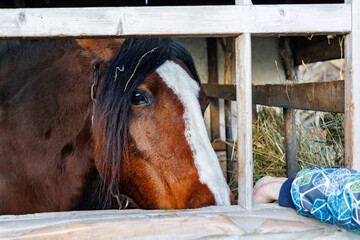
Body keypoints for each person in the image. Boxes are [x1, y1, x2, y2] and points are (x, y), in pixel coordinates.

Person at [253, 167, 360, 234]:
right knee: (270, 191)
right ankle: (267, 189)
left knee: (332, 185)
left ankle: (271, 182)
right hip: (333, 199)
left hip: (340, 183)